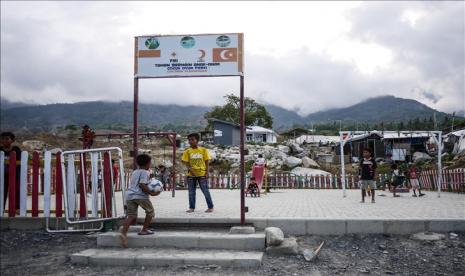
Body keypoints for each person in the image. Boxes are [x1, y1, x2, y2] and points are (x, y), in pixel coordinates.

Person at [119, 154, 160, 247]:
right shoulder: (146, 172)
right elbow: (142, 185)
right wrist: (151, 193)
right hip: (140, 196)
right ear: (148, 163)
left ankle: (123, 233)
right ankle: (144, 230)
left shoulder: (135, 172)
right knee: (150, 212)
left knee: (131, 216)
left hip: (129, 196)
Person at [182, 133, 214, 213]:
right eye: (189, 140)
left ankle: (210, 207)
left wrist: (207, 172)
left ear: (197, 140)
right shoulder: (187, 151)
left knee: (205, 191)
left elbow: (207, 161)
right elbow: (186, 162)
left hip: (202, 174)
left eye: (192, 139)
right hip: (191, 175)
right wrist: (190, 169)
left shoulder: (203, 150)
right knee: (191, 192)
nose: (190, 141)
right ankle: (191, 208)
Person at [1, 132, 22, 209]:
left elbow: (20, 161)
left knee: (16, 191)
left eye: (7, 139)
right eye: (2, 139)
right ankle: (1, 208)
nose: (4, 140)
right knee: (2, 192)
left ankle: (16, 208)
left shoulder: (16, 149)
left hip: (15, 175)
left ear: (12, 140)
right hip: (2, 176)